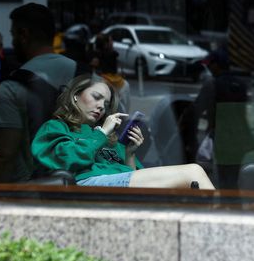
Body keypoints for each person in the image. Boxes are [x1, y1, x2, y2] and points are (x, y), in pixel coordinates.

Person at [32, 75, 215, 188]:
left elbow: (133, 176)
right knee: (193, 171)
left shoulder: (108, 138)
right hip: (87, 185)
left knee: (189, 184)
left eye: (105, 104)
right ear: (75, 96)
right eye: (96, 98)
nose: (100, 107)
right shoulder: (56, 127)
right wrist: (101, 134)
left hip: (115, 188)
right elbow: (67, 160)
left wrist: (129, 154)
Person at [0, 3, 80, 182]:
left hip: (36, 190)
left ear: (24, 34)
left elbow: (5, 155)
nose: (13, 42)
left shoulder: (11, 88)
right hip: (89, 186)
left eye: (13, 35)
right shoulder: (87, 76)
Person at [187, 49, 254, 189]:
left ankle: (228, 206)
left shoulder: (212, 84)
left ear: (217, 65)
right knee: (234, 176)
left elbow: (197, 109)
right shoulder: (240, 84)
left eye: (210, 65)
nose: (209, 68)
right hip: (241, 137)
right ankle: (234, 204)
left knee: (223, 178)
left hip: (223, 137)